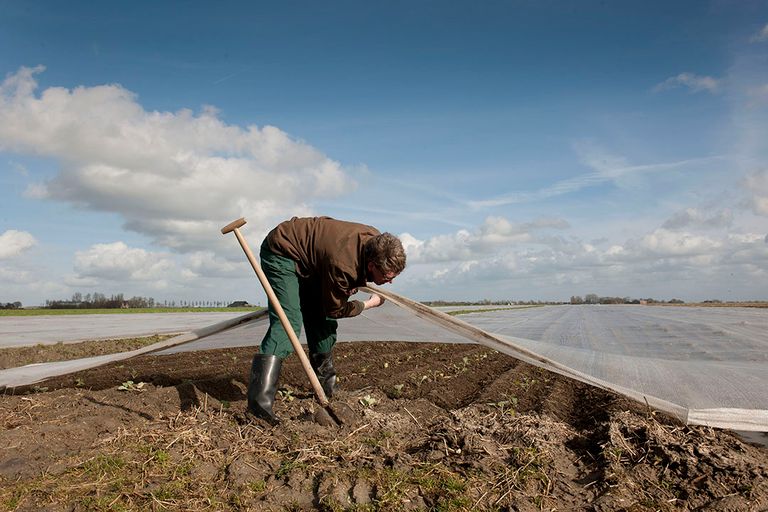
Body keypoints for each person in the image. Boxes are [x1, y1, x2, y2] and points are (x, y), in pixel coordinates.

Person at [248, 216, 406, 424]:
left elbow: (334, 296)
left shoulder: (376, 242)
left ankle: (327, 387)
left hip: (313, 262)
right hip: (282, 251)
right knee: (288, 322)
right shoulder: (343, 265)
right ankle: (258, 406)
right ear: (371, 265)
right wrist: (368, 304)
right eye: (386, 276)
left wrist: (346, 285)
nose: (390, 281)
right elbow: (335, 309)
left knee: (321, 319)